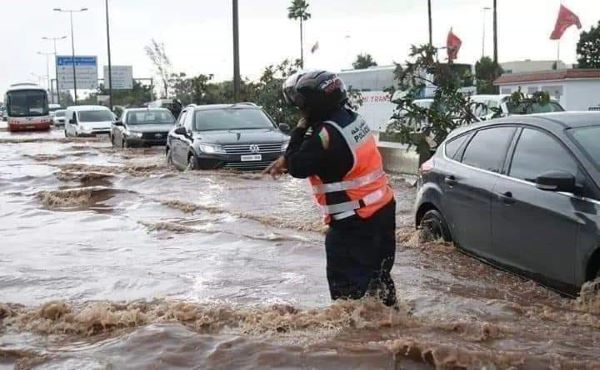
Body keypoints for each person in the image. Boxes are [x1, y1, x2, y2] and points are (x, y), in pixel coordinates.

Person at [263, 70, 397, 307]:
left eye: (302, 107)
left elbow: (297, 166)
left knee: (347, 301)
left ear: (313, 106)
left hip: (353, 224)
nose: (300, 110)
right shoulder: (351, 120)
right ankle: (394, 331)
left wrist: (300, 128)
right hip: (382, 212)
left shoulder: (325, 136)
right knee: (380, 283)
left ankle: (353, 343)